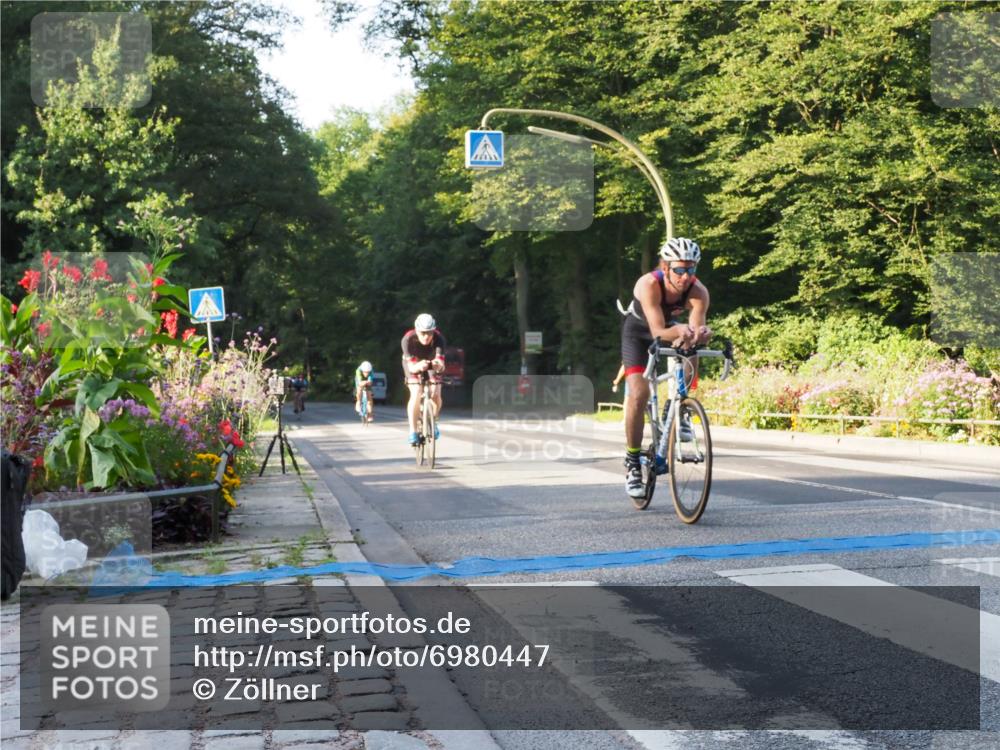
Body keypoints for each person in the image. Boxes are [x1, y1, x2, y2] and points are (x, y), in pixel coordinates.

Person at [620, 237, 712, 499]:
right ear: (665, 266)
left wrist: (701, 334)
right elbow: (658, 330)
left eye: (691, 269)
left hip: (668, 329)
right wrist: (681, 330)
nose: (685, 276)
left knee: (692, 348)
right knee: (639, 394)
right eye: (679, 270)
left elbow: (693, 329)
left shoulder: (699, 292)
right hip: (638, 333)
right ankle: (633, 462)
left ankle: (680, 406)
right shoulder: (649, 284)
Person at [401, 313, 445, 447]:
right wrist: (418, 366)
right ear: (416, 330)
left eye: (429, 333)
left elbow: (441, 366)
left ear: (434, 331)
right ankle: (413, 431)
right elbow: (412, 368)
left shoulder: (439, 339)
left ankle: (433, 420)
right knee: (416, 392)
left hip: (431, 361)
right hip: (413, 364)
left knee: (436, 391)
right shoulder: (407, 340)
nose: (426, 336)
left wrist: (438, 366)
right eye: (423, 333)